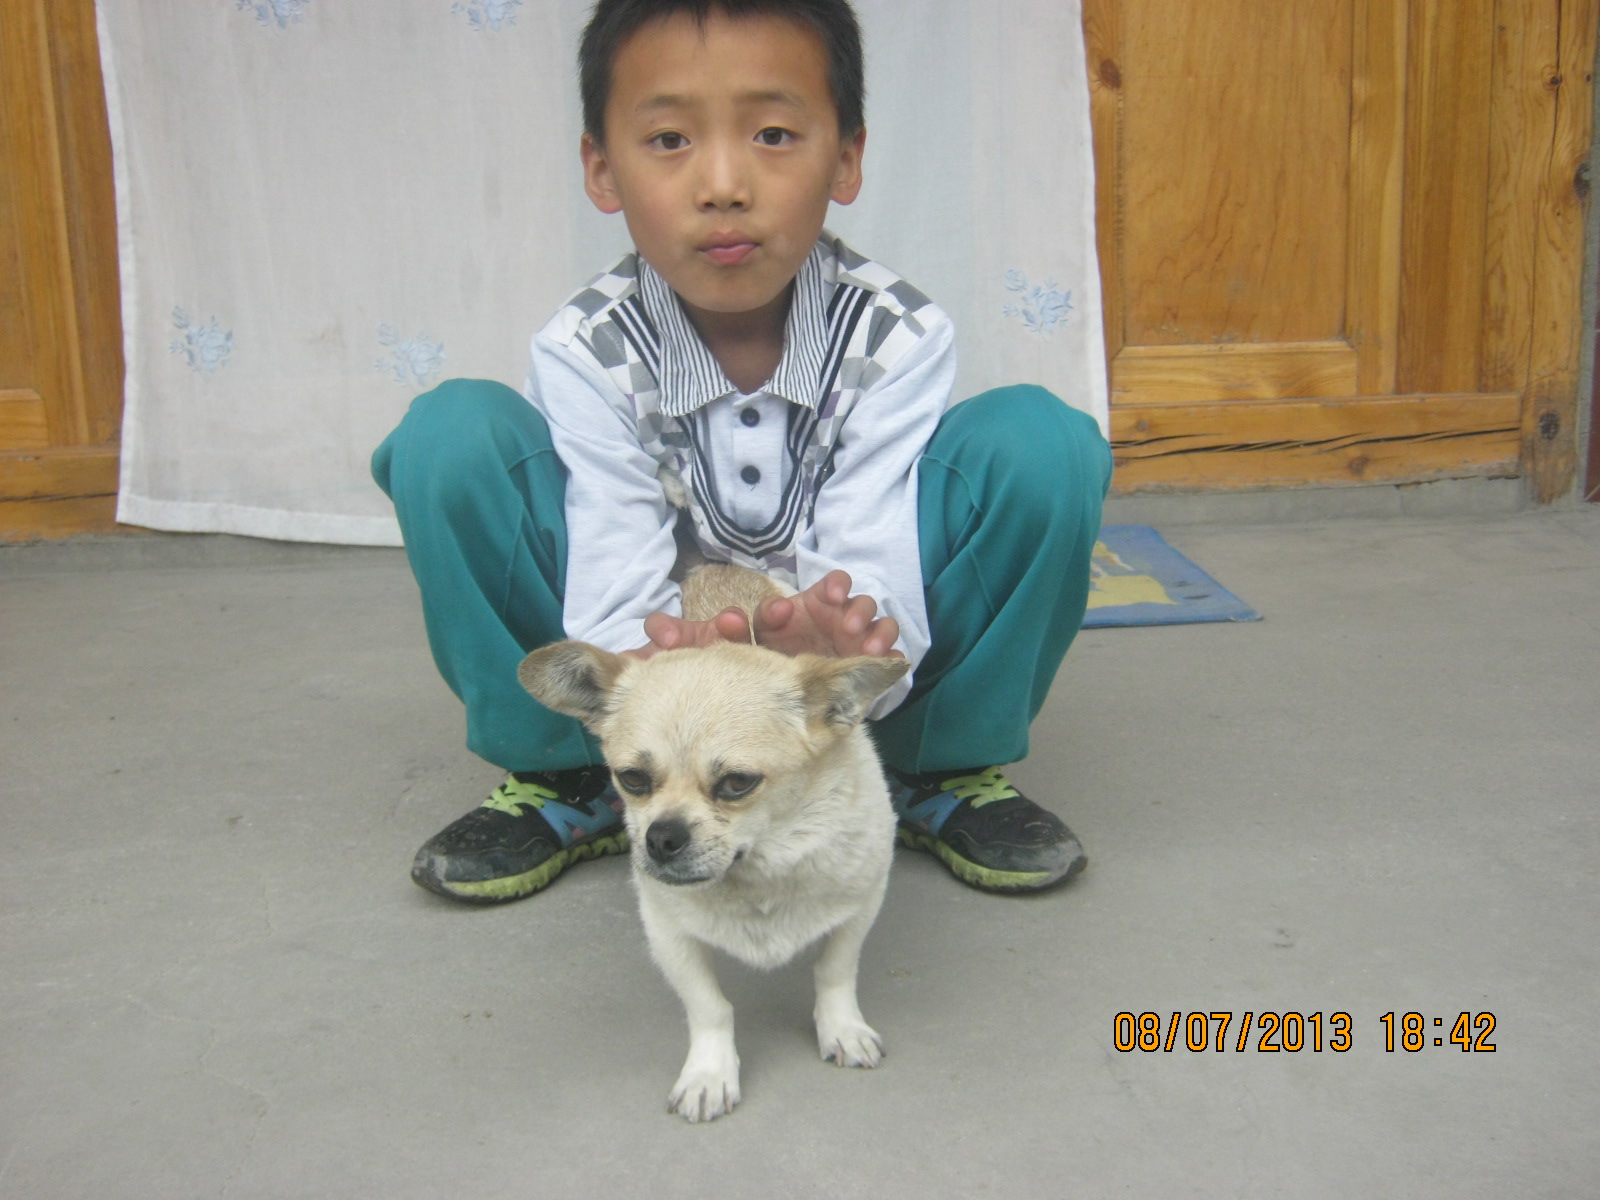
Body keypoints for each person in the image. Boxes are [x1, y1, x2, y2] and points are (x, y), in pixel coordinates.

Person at [372, 0, 1112, 905]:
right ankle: (573, 774)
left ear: (846, 158)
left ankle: (936, 761)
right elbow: (610, 564)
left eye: (772, 134)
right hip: (649, 667)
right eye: (670, 140)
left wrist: (836, 652)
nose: (723, 185)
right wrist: (657, 682)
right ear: (602, 169)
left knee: (1042, 446)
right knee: (449, 440)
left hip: (817, 681)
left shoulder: (900, 336)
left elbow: (872, 546)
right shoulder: (583, 350)